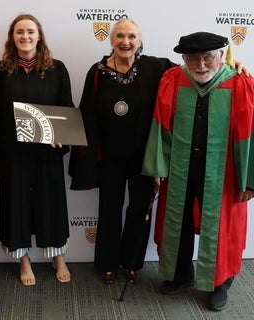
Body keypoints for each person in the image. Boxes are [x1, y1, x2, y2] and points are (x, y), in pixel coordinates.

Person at [142, 31, 254, 311]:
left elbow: (253, 135)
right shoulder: (173, 79)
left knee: (223, 228)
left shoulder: (241, 83)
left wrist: (250, 180)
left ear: (222, 55)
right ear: (184, 58)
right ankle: (181, 274)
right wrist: (158, 166)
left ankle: (220, 283)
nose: (200, 65)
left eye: (207, 57)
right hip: (180, 169)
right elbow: (161, 125)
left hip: (225, 174)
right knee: (179, 222)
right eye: (192, 58)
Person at [68, 19, 176, 285]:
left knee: (139, 210)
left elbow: (193, 72)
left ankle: (132, 263)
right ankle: (107, 263)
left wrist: (228, 65)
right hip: (111, 158)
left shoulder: (156, 67)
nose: (125, 41)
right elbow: (87, 114)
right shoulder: (97, 72)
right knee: (109, 210)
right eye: (119, 36)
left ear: (139, 41)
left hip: (144, 157)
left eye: (131, 36)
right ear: (111, 40)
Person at [0, 13, 73, 286]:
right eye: (19, 32)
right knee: (17, 204)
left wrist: (61, 136)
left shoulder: (57, 69)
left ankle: (57, 255)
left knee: (51, 203)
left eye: (30, 31)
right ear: (12, 38)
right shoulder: (0, 71)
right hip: (14, 154)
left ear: (39, 36)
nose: (25, 36)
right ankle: (23, 259)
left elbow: (65, 108)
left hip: (46, 152)